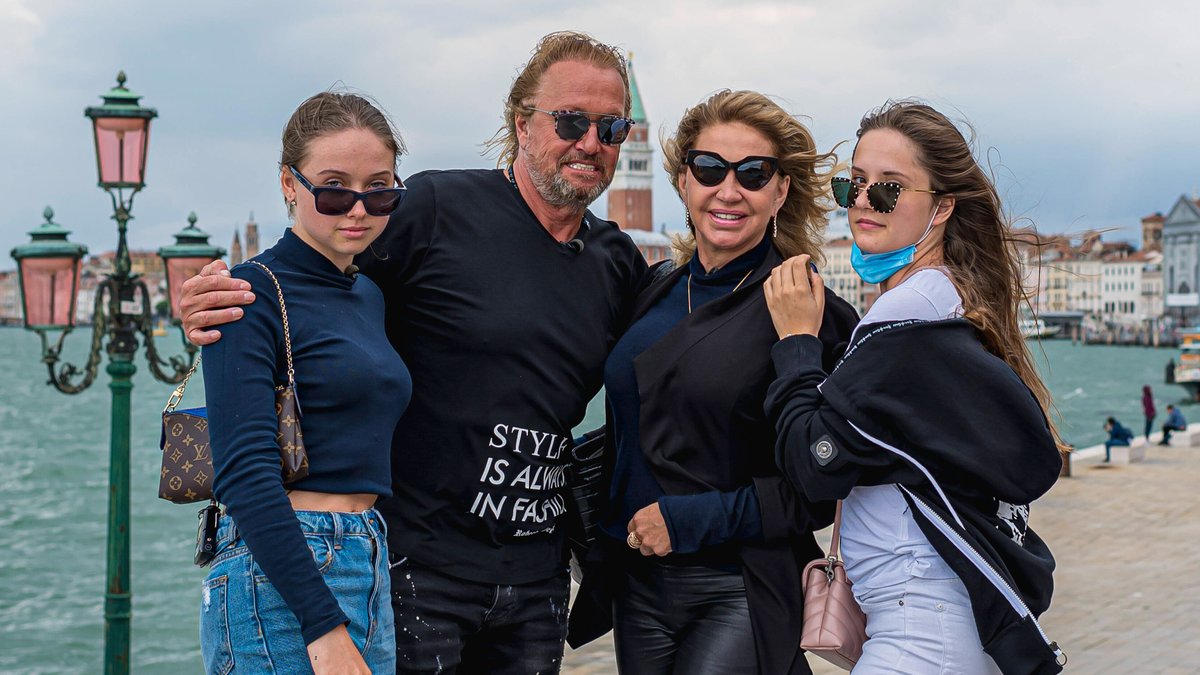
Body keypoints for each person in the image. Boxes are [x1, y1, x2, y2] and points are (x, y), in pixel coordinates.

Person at [181, 32, 646, 674]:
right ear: (522, 124)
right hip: (411, 567)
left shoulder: (617, 262)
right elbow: (319, 269)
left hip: (536, 579)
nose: (591, 142)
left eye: (611, 126)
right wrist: (218, 301)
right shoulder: (432, 208)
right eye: (570, 121)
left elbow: (680, 350)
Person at [762, 101, 1067, 673]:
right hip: (943, 623)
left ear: (944, 206)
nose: (862, 202)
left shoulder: (908, 324)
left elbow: (813, 462)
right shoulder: (950, 306)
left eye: (890, 189)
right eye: (855, 184)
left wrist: (797, 343)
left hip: (918, 630)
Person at [568, 90, 859, 675]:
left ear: (780, 191)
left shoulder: (807, 311)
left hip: (741, 587)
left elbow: (822, 486)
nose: (729, 190)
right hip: (637, 586)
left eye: (753, 174)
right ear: (683, 181)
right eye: (709, 168)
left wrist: (688, 521)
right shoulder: (653, 292)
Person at [200, 92, 410, 674]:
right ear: (289, 185)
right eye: (335, 188)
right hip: (284, 569)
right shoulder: (249, 292)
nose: (358, 208)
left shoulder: (367, 294)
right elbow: (243, 473)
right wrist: (323, 625)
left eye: (380, 189)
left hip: (365, 549)